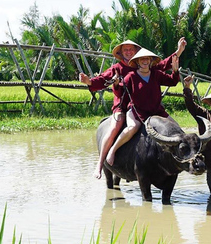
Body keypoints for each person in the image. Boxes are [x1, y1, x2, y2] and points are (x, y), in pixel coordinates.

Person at [79, 38, 187, 179]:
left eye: (131, 49)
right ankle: (100, 163)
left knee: (172, 127)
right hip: (125, 106)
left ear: (138, 52)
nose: (129, 52)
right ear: (122, 53)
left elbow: (164, 64)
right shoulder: (118, 69)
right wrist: (89, 82)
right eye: (126, 50)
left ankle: (176, 160)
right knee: (116, 125)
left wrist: (178, 52)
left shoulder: (148, 67)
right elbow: (103, 80)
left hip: (150, 106)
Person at [105, 48, 180, 165]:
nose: (145, 61)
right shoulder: (131, 76)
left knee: (176, 127)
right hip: (137, 110)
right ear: (138, 62)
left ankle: (180, 156)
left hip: (156, 110)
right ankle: (113, 150)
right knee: (133, 127)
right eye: (142, 59)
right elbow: (120, 93)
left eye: (147, 59)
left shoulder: (156, 74)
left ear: (150, 61)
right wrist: (115, 84)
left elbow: (172, 82)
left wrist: (175, 70)